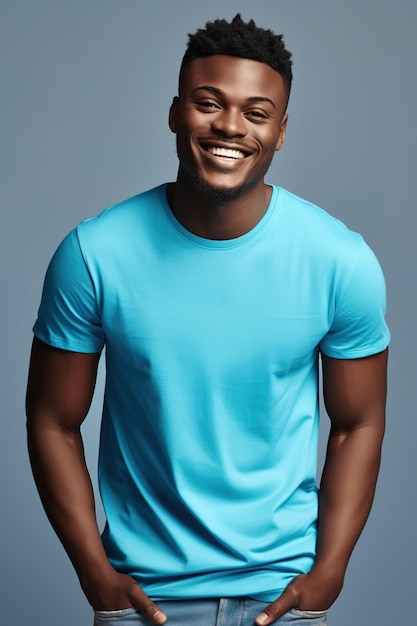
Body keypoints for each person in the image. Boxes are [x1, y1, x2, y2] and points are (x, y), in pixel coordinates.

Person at [26, 14, 390, 626]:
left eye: (256, 112)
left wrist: (330, 571)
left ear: (280, 131)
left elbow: (358, 422)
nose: (229, 126)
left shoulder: (340, 260)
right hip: (143, 603)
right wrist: (93, 569)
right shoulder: (94, 254)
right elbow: (52, 419)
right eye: (209, 103)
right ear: (175, 113)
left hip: (283, 602)